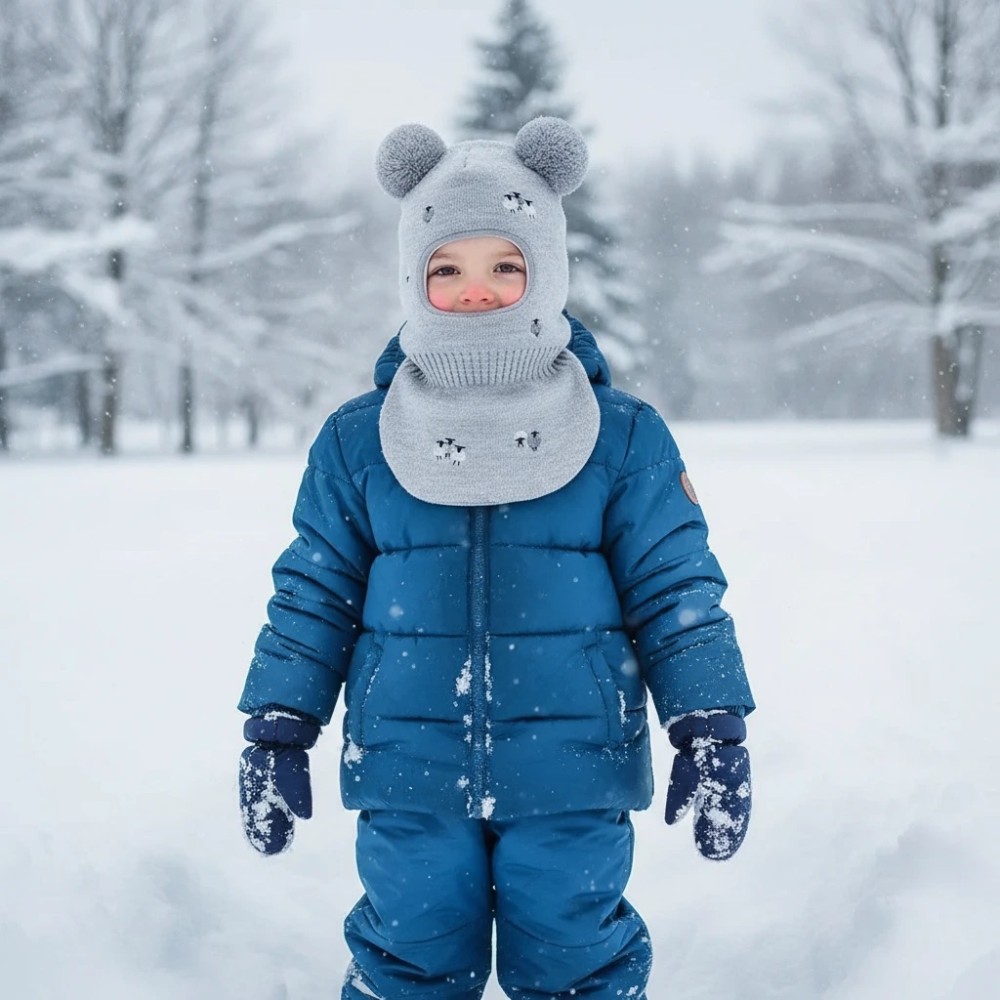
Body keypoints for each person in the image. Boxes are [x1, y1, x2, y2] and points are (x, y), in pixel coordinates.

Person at [237, 117, 755, 1000]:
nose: (476, 290)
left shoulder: (620, 435)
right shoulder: (359, 440)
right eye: (448, 268)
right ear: (413, 276)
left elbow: (676, 589)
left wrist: (709, 725)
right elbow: (314, 590)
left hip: (574, 764)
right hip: (408, 761)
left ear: (547, 270)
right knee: (409, 949)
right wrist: (279, 723)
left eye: (504, 265)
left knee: (573, 953)